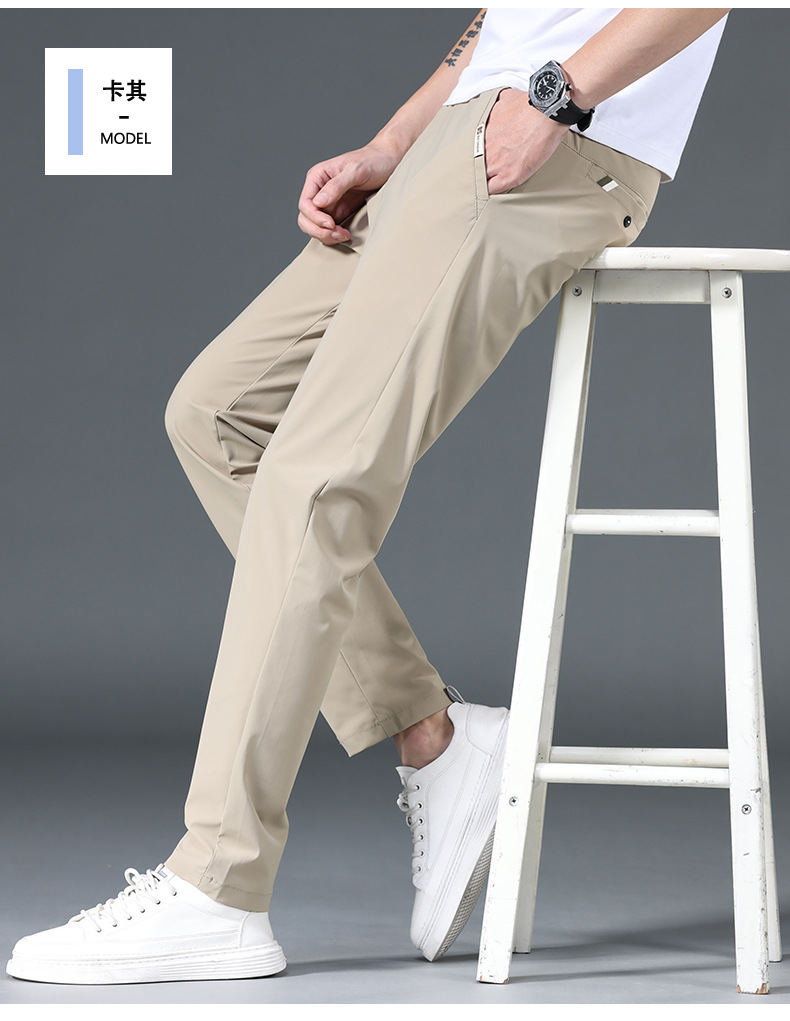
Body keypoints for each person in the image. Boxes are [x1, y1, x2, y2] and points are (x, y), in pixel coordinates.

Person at [7, 7, 730, 985]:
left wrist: (556, 101)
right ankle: (435, 738)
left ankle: (220, 882)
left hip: (557, 139)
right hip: (461, 133)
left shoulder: (557, 110)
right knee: (218, 416)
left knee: (315, 478)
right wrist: (395, 141)